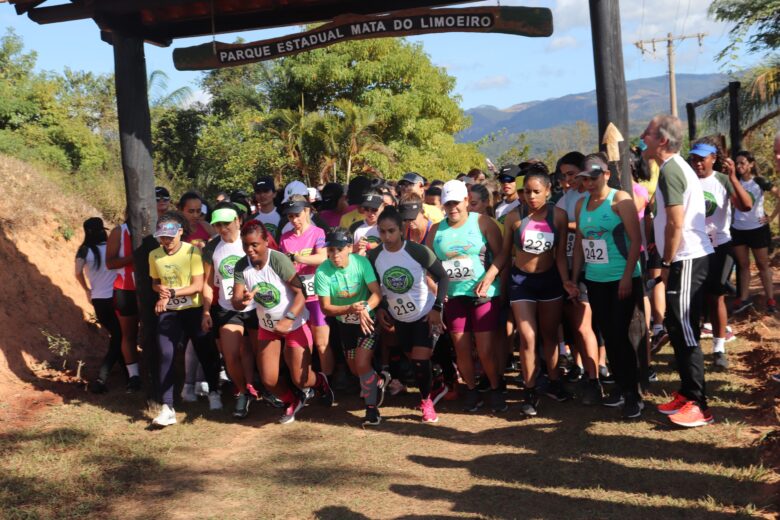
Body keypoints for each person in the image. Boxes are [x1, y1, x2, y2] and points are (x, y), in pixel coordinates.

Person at [640, 114, 715, 428]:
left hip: (686, 258)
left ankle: (699, 404)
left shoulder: (672, 170)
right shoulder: (672, 168)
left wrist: (668, 263)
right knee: (677, 324)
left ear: (662, 141)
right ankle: (686, 393)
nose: (641, 137)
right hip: (683, 257)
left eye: (647, 133)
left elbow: (675, 222)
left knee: (684, 330)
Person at [569, 154, 645, 418]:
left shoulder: (620, 200)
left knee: (623, 336)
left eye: (594, 177)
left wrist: (626, 277)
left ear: (607, 175)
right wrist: (575, 276)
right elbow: (581, 243)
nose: (589, 183)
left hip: (621, 279)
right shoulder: (581, 205)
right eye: (585, 179)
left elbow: (636, 241)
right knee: (609, 337)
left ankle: (634, 394)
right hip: (596, 280)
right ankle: (623, 387)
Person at [233, 220, 329, 425]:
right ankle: (291, 400)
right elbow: (237, 302)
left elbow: (300, 293)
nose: (249, 250)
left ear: (266, 241)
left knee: (301, 379)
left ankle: (320, 382)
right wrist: (242, 301)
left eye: (254, 245)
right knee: (268, 379)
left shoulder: (278, 260)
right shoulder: (241, 266)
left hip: (294, 324)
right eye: (245, 245)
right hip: (268, 327)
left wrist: (289, 319)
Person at [426, 180, 507, 413]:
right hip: (454, 297)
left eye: (456, 203)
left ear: (465, 201)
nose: (452, 208)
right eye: (447, 204)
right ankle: (471, 390)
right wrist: (435, 289)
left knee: (484, 350)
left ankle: (495, 387)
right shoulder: (436, 230)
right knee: (460, 348)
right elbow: (429, 266)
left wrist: (490, 276)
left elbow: (501, 254)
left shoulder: (483, 223)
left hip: (482, 294)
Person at [502, 169, 574, 415]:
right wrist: (491, 276)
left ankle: (554, 382)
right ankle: (530, 390)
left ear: (547, 191)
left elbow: (561, 255)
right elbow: (503, 254)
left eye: (536, 192)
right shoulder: (513, 217)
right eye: (526, 192)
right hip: (521, 281)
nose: (530, 197)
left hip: (550, 281)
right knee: (528, 337)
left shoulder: (560, 216)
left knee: (550, 336)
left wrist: (566, 281)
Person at [369, 208, 449, 422]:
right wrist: (380, 308)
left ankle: (426, 402)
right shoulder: (374, 255)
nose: (387, 237)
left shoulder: (417, 251)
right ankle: (439, 378)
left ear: (401, 230)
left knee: (420, 362)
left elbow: (443, 277)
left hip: (424, 314)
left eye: (391, 231)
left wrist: (437, 309)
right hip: (400, 318)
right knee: (412, 358)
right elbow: (374, 286)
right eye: (382, 232)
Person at [148, 212, 222, 428]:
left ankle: (214, 392)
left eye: (170, 237)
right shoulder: (154, 255)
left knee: (205, 351)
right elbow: (155, 282)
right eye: (162, 237)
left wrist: (170, 293)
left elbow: (198, 286)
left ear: (180, 232)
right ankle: (167, 407)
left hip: (192, 309)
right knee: (166, 354)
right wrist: (160, 291)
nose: (166, 241)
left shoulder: (192, 252)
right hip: (169, 311)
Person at [689, 139, 752, 371]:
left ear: (713, 159)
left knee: (715, 296)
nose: (697, 163)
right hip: (694, 247)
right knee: (693, 299)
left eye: (701, 159)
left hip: (719, 246)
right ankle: (691, 348)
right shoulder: (687, 180)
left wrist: (733, 177)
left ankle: (718, 348)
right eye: (693, 158)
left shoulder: (722, 180)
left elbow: (745, 206)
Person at [314, 228, 387, 426]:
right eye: (330, 250)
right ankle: (378, 380)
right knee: (356, 370)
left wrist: (364, 309)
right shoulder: (322, 271)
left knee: (362, 364)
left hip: (366, 322)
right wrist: (350, 309)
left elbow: (376, 293)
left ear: (349, 248)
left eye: (339, 249)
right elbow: (326, 308)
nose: (334, 254)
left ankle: (371, 410)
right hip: (345, 325)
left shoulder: (361, 263)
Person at [202, 203, 260, 418]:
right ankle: (243, 393)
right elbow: (208, 283)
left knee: (258, 353)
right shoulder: (211, 248)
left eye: (226, 223)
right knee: (230, 354)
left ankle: (264, 387)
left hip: (256, 307)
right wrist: (206, 311)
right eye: (217, 224)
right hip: (228, 308)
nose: (222, 228)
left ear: (238, 221)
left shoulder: (251, 241)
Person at [278, 196, 334, 405]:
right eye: (290, 216)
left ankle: (327, 384)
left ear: (308, 211)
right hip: (296, 297)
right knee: (301, 345)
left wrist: (298, 258)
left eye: (297, 215)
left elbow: (322, 257)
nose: (294, 220)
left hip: (316, 296)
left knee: (321, 344)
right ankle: (307, 385)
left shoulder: (318, 233)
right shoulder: (285, 238)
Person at [554, 152, 601, 392]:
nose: (567, 181)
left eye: (571, 174)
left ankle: (599, 369)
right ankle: (586, 370)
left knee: (596, 324)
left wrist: (571, 226)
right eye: (563, 176)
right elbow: (557, 226)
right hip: (575, 268)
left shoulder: (597, 196)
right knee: (580, 324)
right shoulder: (567, 198)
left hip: (601, 267)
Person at [75, 217, 122, 393]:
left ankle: (130, 376)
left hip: (98, 300)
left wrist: (87, 289)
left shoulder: (84, 251)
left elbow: (78, 272)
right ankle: (101, 378)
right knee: (120, 337)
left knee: (118, 336)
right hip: (117, 298)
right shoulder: (112, 247)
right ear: (103, 230)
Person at [731, 150, 779, 314]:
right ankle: (743, 299)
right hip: (738, 229)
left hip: (758, 229)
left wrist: (771, 217)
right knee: (743, 265)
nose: (739, 166)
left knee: (762, 265)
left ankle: (770, 300)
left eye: (742, 163)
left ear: (751, 164)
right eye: (737, 163)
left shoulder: (759, 181)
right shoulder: (734, 181)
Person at [105, 215, 141, 393]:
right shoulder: (119, 231)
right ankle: (134, 376)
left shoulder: (157, 228)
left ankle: (154, 370)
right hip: (126, 289)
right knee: (129, 334)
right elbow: (110, 263)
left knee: (153, 332)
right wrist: (133, 257)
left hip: (152, 290)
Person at [349, 191, 385, 256]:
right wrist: (356, 246)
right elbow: (345, 249)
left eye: (374, 209)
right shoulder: (354, 227)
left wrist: (369, 246)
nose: (370, 213)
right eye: (366, 209)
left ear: (383, 206)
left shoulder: (387, 226)